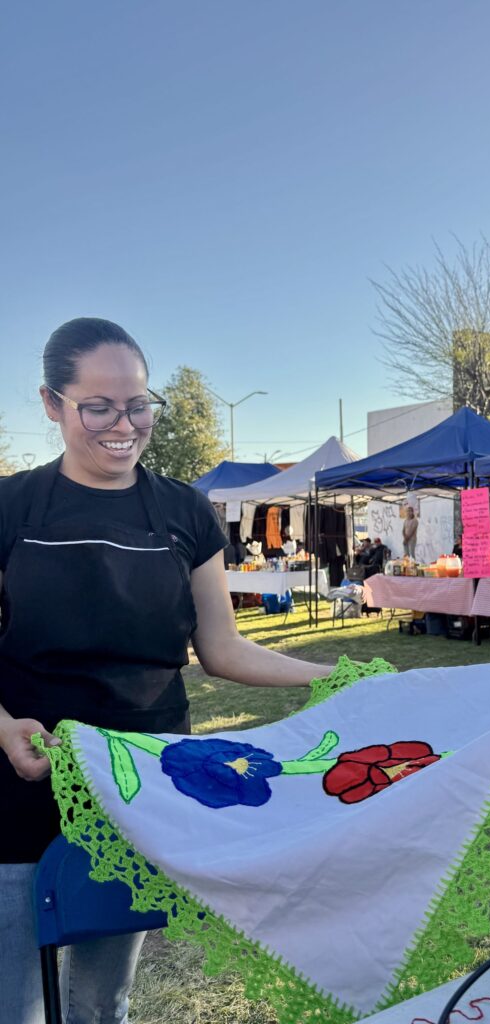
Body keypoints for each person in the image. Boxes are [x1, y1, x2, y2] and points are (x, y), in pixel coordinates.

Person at [0, 318, 332, 1024]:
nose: (125, 424)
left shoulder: (185, 511)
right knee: (15, 1002)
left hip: (141, 782)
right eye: (99, 406)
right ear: (51, 403)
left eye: (140, 404)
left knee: (102, 1001)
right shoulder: (10, 508)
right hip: (17, 780)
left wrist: (331, 673)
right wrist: (2, 728)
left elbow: (223, 650)